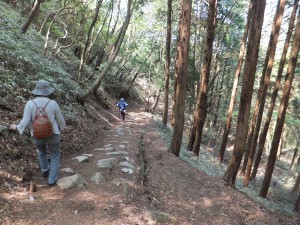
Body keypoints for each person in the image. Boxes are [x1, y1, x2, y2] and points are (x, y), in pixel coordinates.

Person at [10, 80, 66, 186]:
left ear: (36, 91)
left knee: (41, 152)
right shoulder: (53, 103)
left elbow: (25, 122)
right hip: (53, 134)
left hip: (37, 134)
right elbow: (61, 120)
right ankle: (52, 179)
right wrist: (62, 128)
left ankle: (45, 170)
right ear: (47, 91)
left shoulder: (30, 104)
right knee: (54, 154)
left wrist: (16, 127)